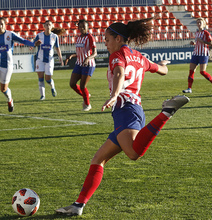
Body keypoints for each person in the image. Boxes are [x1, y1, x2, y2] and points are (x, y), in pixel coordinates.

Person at [55, 18, 190, 216]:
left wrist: (115, 94)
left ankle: (165, 113)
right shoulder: (139, 57)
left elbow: (119, 73)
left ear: (119, 39)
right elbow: (163, 70)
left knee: (133, 153)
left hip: (125, 108)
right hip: (132, 110)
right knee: (98, 159)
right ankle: (78, 205)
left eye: (108, 39)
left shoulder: (117, 55)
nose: (105, 43)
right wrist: (160, 64)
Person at [0, 17, 40, 112]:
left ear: (5, 25)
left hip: (7, 65)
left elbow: (23, 41)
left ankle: (10, 99)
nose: (0, 26)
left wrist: (33, 44)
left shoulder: (10, 34)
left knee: (3, 89)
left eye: (2, 24)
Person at [65, 19, 97, 111]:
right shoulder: (78, 38)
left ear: (87, 27)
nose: (82, 28)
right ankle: (86, 95)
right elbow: (80, 53)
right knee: (72, 84)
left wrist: (87, 58)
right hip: (79, 64)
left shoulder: (90, 37)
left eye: (84, 26)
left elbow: (95, 53)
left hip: (88, 64)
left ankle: (87, 104)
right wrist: (71, 56)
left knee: (82, 86)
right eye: (80, 26)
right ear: (78, 28)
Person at [182, 17, 212, 93]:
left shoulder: (206, 33)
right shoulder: (197, 32)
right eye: (197, 23)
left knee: (202, 72)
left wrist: (202, 41)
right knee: (191, 71)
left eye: (200, 23)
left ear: (203, 24)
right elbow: (197, 42)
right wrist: (193, 43)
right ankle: (189, 88)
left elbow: (211, 44)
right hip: (196, 53)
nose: (198, 24)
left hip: (203, 54)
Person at [33, 20, 64, 100]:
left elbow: (57, 48)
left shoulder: (54, 36)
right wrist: (35, 45)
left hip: (49, 60)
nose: (48, 26)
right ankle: (42, 95)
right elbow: (34, 44)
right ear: (44, 26)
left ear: (51, 26)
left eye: (49, 25)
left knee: (48, 79)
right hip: (40, 59)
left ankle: (52, 87)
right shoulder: (39, 35)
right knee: (40, 78)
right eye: (46, 25)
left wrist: (60, 57)